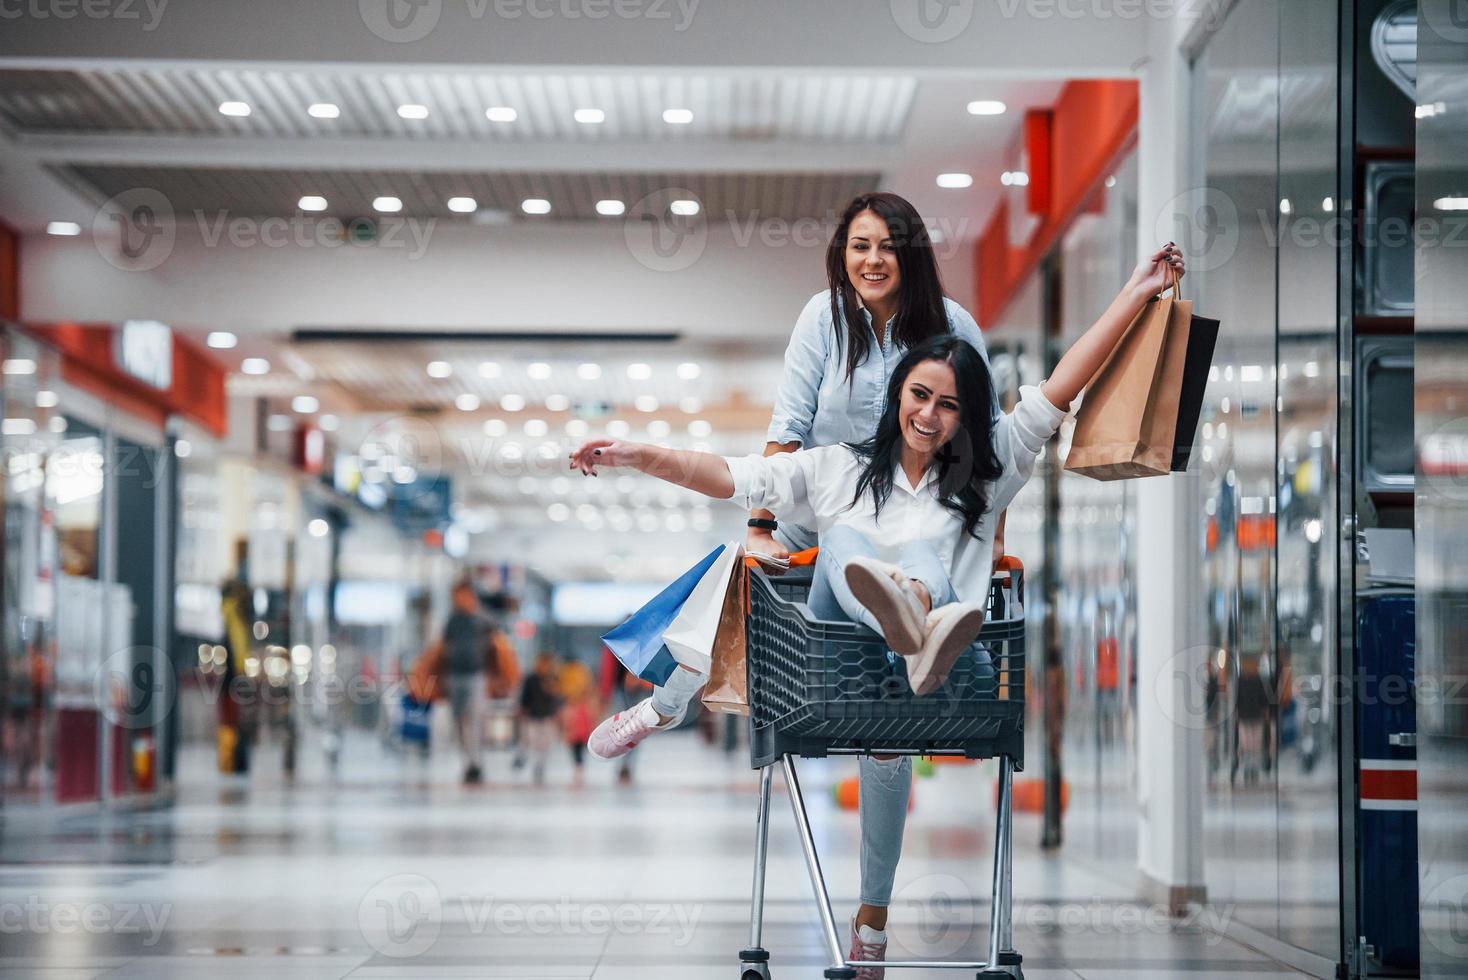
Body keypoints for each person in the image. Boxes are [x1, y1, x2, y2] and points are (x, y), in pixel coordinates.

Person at [573, 242, 1185, 975]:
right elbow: (731, 475)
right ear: (899, 393)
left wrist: (1138, 288)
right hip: (858, 671)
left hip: (952, 677)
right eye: (920, 394)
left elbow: (1062, 386)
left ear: (967, 415)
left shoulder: (989, 475)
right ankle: (906, 623)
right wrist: (637, 454)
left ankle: (918, 613)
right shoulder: (837, 472)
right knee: (846, 549)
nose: (931, 414)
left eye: (950, 404)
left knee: (910, 580)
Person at [434, 579, 496, 785]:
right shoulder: (453, 620)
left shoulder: (482, 618)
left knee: (475, 718)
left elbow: (495, 646)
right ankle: (467, 761)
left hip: (476, 675)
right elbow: (443, 646)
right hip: (454, 674)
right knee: (459, 718)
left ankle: (476, 761)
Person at [518, 651, 563, 784]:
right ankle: (532, 762)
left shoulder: (552, 679)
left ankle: (540, 766)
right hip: (533, 717)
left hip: (547, 718)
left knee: (545, 745)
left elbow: (557, 699)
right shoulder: (531, 679)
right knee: (533, 743)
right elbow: (524, 698)